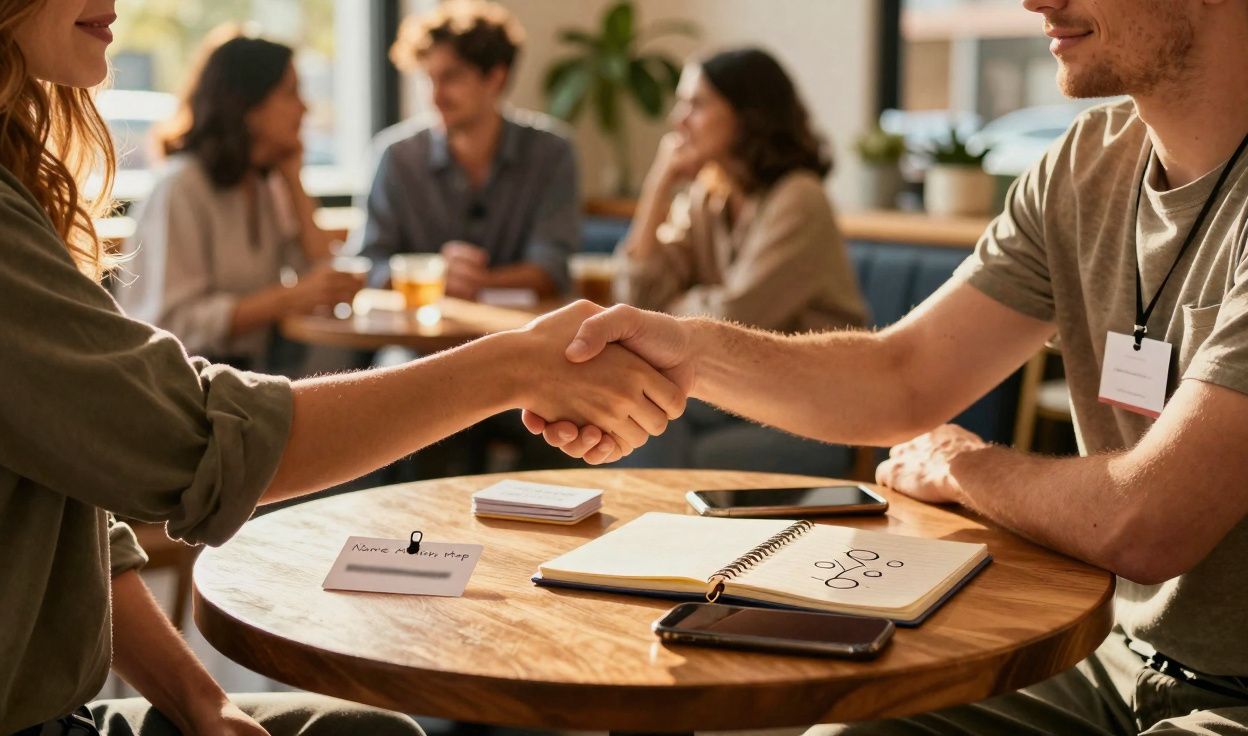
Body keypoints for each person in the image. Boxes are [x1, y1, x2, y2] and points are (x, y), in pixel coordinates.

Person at [0, 1, 682, 733]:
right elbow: (187, 441)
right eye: (290, 94)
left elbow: (76, 509)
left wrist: (204, 703)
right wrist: (511, 366)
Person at [527, 0, 1248, 732]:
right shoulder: (1086, 163)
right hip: (1113, 658)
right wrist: (693, 352)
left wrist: (967, 468)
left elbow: (1147, 523)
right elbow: (903, 374)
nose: (1032, 0)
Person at [613, 47, 867, 474]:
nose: (678, 121)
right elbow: (636, 297)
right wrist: (659, 185)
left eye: (696, 104)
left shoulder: (799, 199)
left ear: (748, 114)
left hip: (813, 411)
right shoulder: (709, 197)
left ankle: (641, 532)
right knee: (638, 401)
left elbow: (736, 317)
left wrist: (674, 308)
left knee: (653, 413)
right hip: (737, 391)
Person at [116, 32, 359, 374]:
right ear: (248, 107)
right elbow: (172, 324)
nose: (305, 108)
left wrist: (293, 179)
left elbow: (321, 275)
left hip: (244, 374)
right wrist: (289, 298)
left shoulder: (266, 183)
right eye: (291, 93)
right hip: (181, 378)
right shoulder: (180, 187)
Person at [354, 0, 579, 301]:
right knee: (393, 353)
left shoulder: (550, 153)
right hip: (415, 342)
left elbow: (552, 267)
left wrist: (474, 281)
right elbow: (368, 263)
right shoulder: (396, 156)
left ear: (495, 78)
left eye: (451, 78)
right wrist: (434, 274)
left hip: (517, 334)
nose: (435, 96)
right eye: (428, 78)